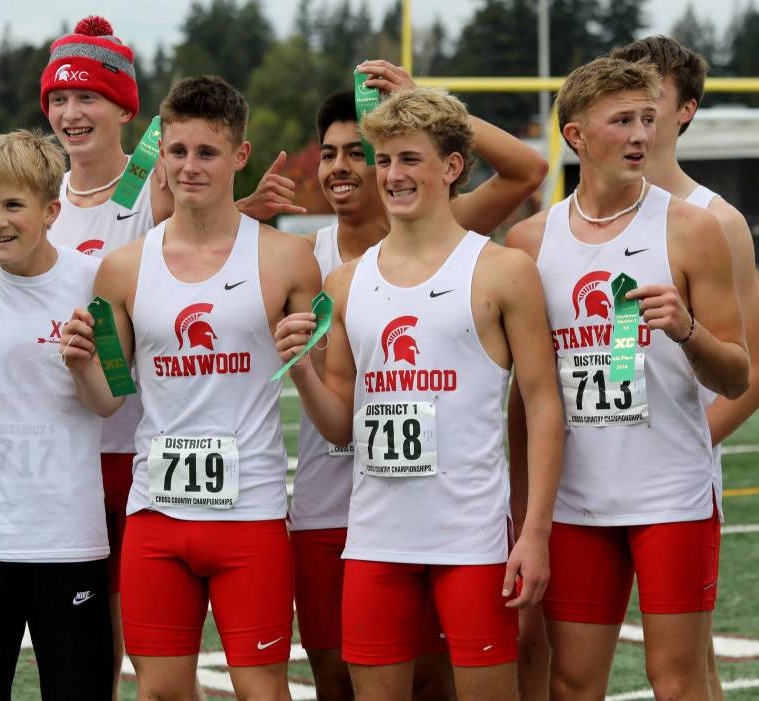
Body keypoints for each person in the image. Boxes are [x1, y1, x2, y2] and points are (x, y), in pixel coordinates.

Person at [39, 17, 306, 698]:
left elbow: (330, 399)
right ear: (160, 154)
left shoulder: (286, 260)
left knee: (262, 690)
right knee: (157, 690)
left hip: (248, 517)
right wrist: (80, 364)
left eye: (208, 153)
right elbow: (112, 396)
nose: (190, 166)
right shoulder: (122, 270)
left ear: (239, 153)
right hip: (156, 514)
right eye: (178, 151)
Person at [275, 86, 564, 701]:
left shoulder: (502, 269)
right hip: (375, 542)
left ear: (452, 167)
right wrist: (299, 369)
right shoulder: (345, 284)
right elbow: (340, 428)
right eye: (384, 161)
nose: (392, 175)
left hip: (473, 541)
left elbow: (542, 404)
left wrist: (534, 532)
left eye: (409, 159)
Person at [505, 56, 748, 700]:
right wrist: (525, 514)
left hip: (671, 494)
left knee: (676, 683)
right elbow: (522, 400)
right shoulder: (530, 242)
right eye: (622, 121)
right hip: (576, 502)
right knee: (572, 684)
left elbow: (738, 375)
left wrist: (688, 329)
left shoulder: (693, 229)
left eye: (647, 118)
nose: (640, 135)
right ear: (577, 135)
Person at [0, 129, 115, 699]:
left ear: (52, 210)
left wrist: (83, 366)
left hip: (67, 538)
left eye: (13, 205)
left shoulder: (95, 280)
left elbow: (112, 399)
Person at [610, 36, 759, 700]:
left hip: (674, 475)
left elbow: (749, 370)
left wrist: (677, 447)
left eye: (654, 96)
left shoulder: (715, 221)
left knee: (685, 666)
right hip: (592, 468)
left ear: (686, 111)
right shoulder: (586, 218)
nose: (638, 107)